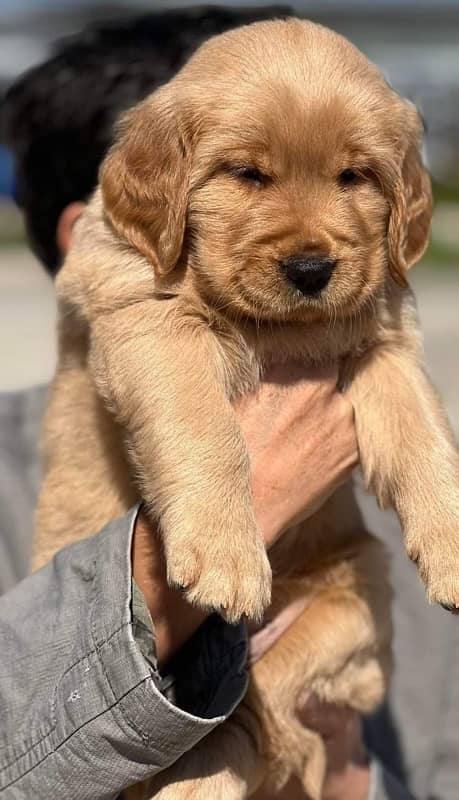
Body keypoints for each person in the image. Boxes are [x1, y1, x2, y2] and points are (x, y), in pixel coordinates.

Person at [2, 10, 447, 800]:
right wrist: (240, 496)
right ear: (139, 198)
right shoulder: (128, 283)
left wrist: (347, 769)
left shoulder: (358, 292)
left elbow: (385, 360)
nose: (311, 241)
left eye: (353, 177)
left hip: (317, 609)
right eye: (248, 174)